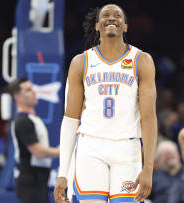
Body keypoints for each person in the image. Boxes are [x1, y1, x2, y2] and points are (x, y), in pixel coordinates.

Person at [54, 4, 158, 203]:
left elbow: (149, 118)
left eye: (117, 15)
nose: (111, 18)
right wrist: (63, 174)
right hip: (90, 147)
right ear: (97, 26)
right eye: (106, 16)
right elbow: (70, 120)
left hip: (127, 148)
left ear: (125, 26)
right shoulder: (81, 62)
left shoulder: (141, 60)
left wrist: (148, 167)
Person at [8, 78, 60, 203]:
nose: (34, 92)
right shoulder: (22, 121)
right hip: (30, 178)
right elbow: (37, 151)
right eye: (28, 90)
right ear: (17, 97)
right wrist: (60, 151)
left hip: (39, 178)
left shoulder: (33, 119)